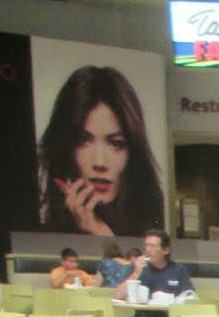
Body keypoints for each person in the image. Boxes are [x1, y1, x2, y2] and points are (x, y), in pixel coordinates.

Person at [37, 65, 165, 238]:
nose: (100, 162)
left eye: (116, 143)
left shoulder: (151, 236)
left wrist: (105, 239)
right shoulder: (40, 237)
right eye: (83, 140)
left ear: (133, 153)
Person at [114, 229, 194, 317]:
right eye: (146, 245)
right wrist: (136, 272)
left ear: (165, 250)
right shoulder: (137, 268)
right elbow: (118, 295)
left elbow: (189, 297)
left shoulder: (178, 270)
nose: (148, 250)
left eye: (152, 246)